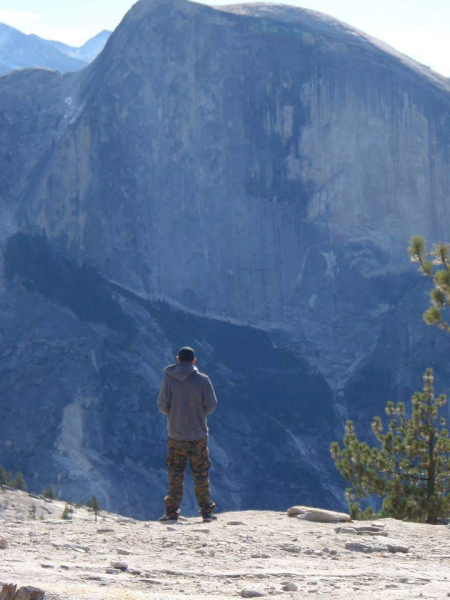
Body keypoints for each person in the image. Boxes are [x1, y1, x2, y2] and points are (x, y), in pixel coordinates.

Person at [157, 346, 218, 523]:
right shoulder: (203, 380)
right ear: (194, 361)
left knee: (175, 473)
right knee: (200, 473)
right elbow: (211, 404)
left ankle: (171, 512)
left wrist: (174, 413)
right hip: (198, 433)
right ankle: (206, 512)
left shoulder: (169, 379)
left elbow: (162, 405)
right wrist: (199, 413)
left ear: (177, 359)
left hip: (176, 434)